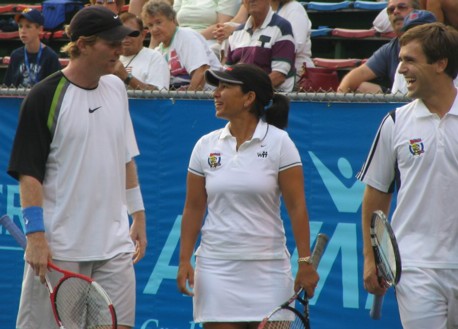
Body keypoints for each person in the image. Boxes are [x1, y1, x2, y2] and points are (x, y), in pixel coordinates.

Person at [7, 6, 147, 329]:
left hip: (114, 246)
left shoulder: (116, 89)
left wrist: (137, 213)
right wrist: (36, 236)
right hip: (61, 249)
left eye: (121, 41)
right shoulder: (44, 97)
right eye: (111, 42)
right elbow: (30, 174)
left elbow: (125, 156)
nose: (119, 49)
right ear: (82, 44)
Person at [176, 63, 319, 328]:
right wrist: (184, 260)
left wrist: (305, 262)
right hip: (216, 270)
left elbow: (297, 206)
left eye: (225, 87)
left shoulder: (280, 143)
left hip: (270, 270)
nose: (216, 93)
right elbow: (193, 208)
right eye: (216, 87)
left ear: (249, 98)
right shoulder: (205, 145)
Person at [357, 22, 458, 329]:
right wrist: (371, 257)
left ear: (441, 64)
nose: (400, 69)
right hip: (415, 268)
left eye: (410, 60)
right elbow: (375, 196)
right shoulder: (394, 122)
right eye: (401, 60)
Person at [214, 0, 314, 80]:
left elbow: (296, 46)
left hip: (295, 71)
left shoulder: (293, 9)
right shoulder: (243, 29)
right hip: (251, 81)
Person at [337, 0, 420, 94]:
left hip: (429, 101)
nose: (396, 12)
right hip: (400, 102)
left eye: (402, 7)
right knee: (363, 87)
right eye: (391, 10)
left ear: (417, 12)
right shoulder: (389, 49)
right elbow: (357, 74)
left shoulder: (432, 43)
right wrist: (338, 101)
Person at [141, 0, 223, 91]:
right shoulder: (158, 51)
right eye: (150, 25)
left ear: (171, 19)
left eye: (158, 22)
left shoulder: (186, 36)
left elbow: (201, 72)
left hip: (207, 98)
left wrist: (187, 101)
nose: (154, 29)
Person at [223, 0, 296, 92]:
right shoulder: (237, 32)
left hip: (271, 97)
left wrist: (249, 93)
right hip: (242, 97)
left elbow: (278, 76)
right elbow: (227, 72)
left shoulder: (281, 27)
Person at [3, 8, 61, 88]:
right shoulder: (16, 55)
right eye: (20, 26)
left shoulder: (50, 57)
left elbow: (55, 88)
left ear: (40, 29)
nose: (23, 31)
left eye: (28, 26)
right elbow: (7, 86)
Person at [114, 12, 170, 90]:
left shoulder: (154, 58)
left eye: (132, 33)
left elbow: (159, 96)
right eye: (121, 33)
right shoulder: (110, 58)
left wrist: (127, 77)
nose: (126, 37)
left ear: (143, 35)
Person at [173, 0, 241, 46]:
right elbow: (173, 21)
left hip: (209, 42)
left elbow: (221, 27)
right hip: (181, 41)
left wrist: (191, 40)